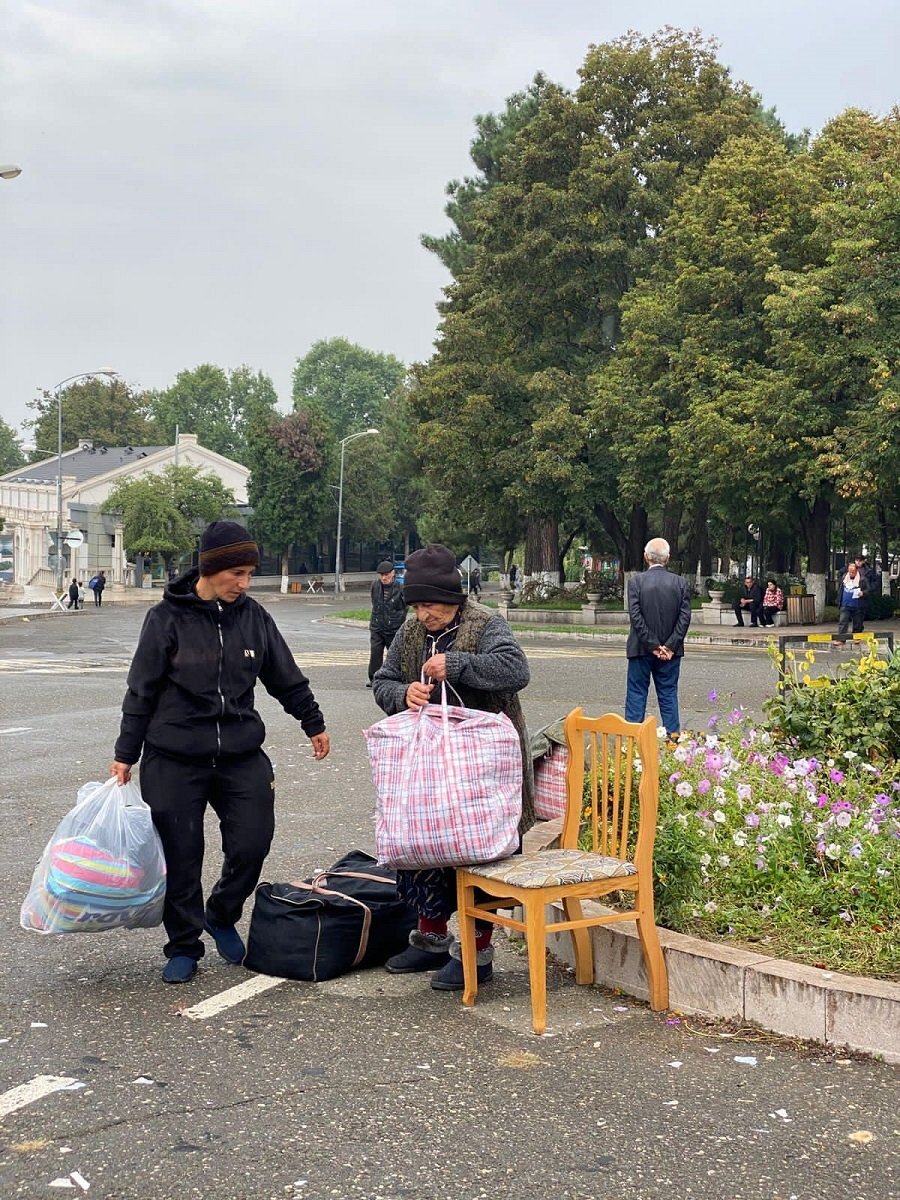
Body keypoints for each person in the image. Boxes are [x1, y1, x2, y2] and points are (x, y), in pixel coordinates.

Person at [109, 520, 330, 984]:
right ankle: (184, 945)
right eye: (238, 574)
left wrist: (312, 721)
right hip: (174, 757)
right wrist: (126, 753)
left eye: (251, 574)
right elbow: (141, 691)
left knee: (253, 842)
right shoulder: (165, 620)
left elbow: (284, 676)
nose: (245, 584)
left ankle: (222, 912)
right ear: (212, 569)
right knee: (182, 855)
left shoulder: (253, 617)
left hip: (240, 754)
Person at [372, 543, 532, 991]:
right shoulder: (408, 634)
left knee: (477, 853)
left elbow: (516, 670)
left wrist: (458, 665)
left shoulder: (485, 624)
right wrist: (403, 695)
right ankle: (429, 940)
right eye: (418, 606)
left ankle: (478, 954)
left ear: (455, 598)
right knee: (424, 845)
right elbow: (383, 681)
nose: (425, 615)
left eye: (432, 605)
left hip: (481, 769)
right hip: (427, 767)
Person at [625, 537, 692, 738]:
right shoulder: (680, 583)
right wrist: (670, 646)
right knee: (668, 694)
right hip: (671, 652)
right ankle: (673, 740)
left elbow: (636, 617)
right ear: (667, 558)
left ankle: (633, 740)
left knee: (637, 694)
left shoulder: (636, 582)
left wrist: (652, 645)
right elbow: (685, 617)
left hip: (640, 649)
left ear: (646, 557)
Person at [367, 559, 407, 687]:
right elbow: (374, 602)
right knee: (375, 652)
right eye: (381, 575)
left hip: (394, 627)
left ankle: (397, 677)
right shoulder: (375, 585)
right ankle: (374, 678)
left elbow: (405, 606)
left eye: (386, 575)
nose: (384, 578)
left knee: (394, 655)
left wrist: (399, 618)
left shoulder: (400, 587)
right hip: (377, 626)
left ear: (393, 573)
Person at [836, 560, 869, 645]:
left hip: (858, 605)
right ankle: (841, 639)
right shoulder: (844, 577)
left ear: (856, 571)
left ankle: (857, 638)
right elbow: (839, 575)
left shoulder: (862, 579)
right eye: (849, 571)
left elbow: (868, 590)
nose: (851, 573)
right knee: (843, 622)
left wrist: (863, 593)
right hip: (845, 604)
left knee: (858, 623)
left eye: (853, 571)